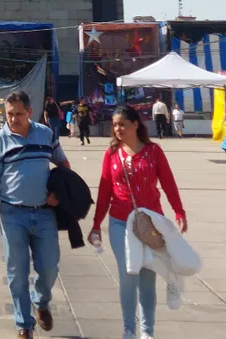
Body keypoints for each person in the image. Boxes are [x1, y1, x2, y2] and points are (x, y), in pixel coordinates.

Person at [88, 104, 187, 339]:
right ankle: (128, 330)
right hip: (120, 223)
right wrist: (95, 225)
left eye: (122, 124)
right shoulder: (111, 155)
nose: (118, 128)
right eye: (115, 125)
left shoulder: (154, 152)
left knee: (147, 278)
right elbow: (104, 191)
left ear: (135, 125)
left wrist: (179, 211)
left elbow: (169, 183)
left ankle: (147, 331)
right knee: (128, 273)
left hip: (151, 224)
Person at [0, 91, 70, 338]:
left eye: (18, 114)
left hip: (44, 215)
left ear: (29, 113)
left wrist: (58, 194)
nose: (13, 119)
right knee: (17, 272)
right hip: (12, 215)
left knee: (50, 267)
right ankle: (24, 324)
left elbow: (64, 167)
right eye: (9, 115)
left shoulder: (46, 134)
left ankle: (40, 301)